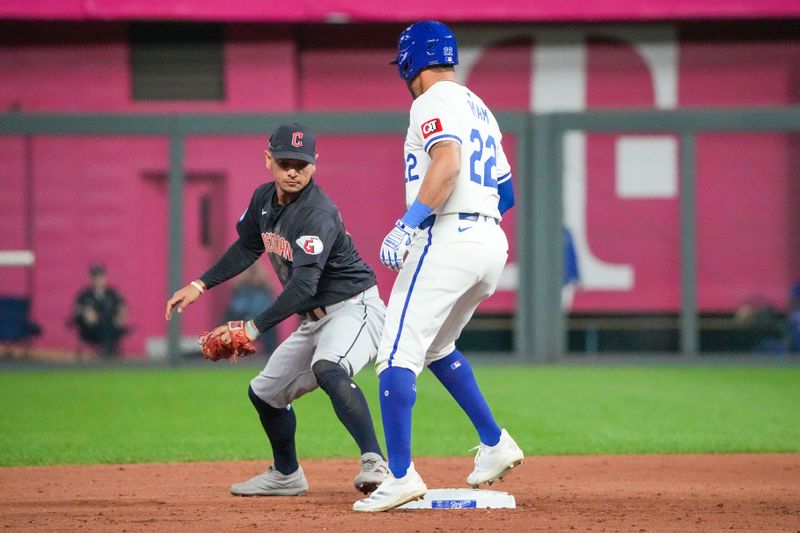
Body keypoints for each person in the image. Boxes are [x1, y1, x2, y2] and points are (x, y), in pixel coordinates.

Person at [353, 21, 524, 512]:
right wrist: (476, 224)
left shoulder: (430, 100)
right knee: (437, 346)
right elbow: (507, 193)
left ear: (409, 62)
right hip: (490, 239)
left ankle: (401, 475)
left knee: (395, 354)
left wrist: (410, 224)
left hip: (448, 234)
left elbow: (446, 163)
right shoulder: (480, 107)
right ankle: (494, 443)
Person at [165, 123, 389, 497]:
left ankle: (376, 462)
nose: (292, 171)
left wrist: (252, 328)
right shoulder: (263, 200)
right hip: (313, 317)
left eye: (301, 164)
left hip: (354, 308)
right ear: (268, 159)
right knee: (264, 393)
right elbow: (247, 247)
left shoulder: (316, 212)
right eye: (285, 161)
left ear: (314, 165)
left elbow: (304, 285)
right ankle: (286, 475)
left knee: (329, 367)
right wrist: (199, 285)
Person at [72, 264, 127, 357]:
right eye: (95, 277)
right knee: (105, 327)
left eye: (100, 277)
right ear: (90, 279)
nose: (98, 280)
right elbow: (76, 309)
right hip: (92, 328)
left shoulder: (112, 293)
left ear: (105, 277)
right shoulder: (85, 294)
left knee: (112, 327)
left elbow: (122, 306)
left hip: (111, 325)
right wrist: (85, 312)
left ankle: (107, 351)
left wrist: (121, 317)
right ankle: (106, 352)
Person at [225, 262, 278, 355]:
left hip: (260, 318)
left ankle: (269, 355)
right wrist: (245, 277)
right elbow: (235, 303)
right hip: (241, 317)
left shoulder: (263, 288)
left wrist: (260, 278)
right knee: (232, 324)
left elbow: (270, 288)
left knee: (270, 327)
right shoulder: (241, 288)